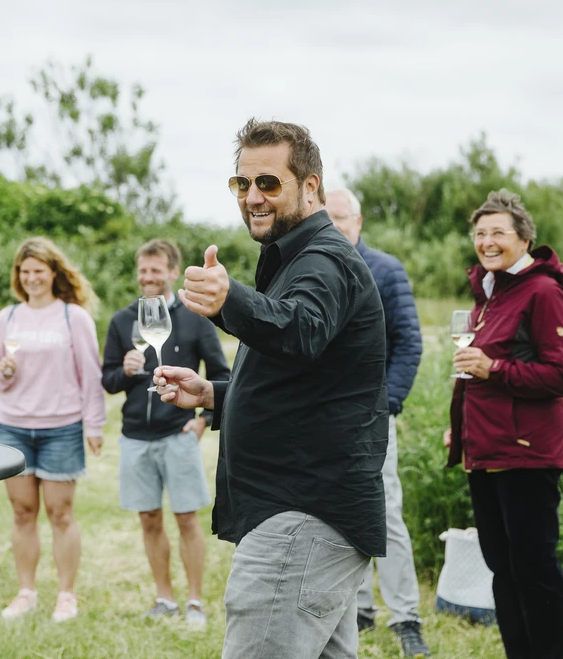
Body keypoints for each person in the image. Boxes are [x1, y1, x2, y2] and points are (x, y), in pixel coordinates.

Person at [154, 119, 389, 659]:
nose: (252, 196)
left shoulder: (324, 259)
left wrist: (228, 298)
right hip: (309, 513)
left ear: (310, 188)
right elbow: (302, 378)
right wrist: (213, 392)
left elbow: (300, 329)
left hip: (304, 515)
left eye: (268, 183)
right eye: (243, 184)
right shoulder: (292, 257)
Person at [443, 189, 563, 659]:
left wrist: (494, 368)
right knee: (502, 568)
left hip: (527, 455)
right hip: (486, 454)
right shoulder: (489, 295)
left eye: (498, 232)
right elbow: (473, 373)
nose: (487, 241)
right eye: (480, 233)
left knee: (534, 570)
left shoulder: (542, 292)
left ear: (524, 238)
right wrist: (460, 428)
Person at [101, 239, 231, 627]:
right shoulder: (123, 321)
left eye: (156, 270)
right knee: (149, 520)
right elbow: (107, 381)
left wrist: (202, 422)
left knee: (188, 520)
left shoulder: (195, 317)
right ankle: (165, 599)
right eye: (143, 270)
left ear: (173, 272)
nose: (148, 277)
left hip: (179, 436)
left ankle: (194, 602)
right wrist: (123, 371)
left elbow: (221, 376)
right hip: (135, 438)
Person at [325, 188, 430, 657]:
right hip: (322, 417)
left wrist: (386, 403)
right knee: (337, 515)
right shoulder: (313, 268)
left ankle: (406, 616)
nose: (333, 226)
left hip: (373, 414)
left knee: (386, 514)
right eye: (324, 219)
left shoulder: (386, 270)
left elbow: (409, 342)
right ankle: (359, 609)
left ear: (359, 220)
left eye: (340, 218)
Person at [0, 237, 106, 623]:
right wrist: (2, 372)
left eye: (39, 270)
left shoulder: (74, 317)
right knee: (22, 513)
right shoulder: (7, 318)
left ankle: (66, 596)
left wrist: (94, 424)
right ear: (18, 277)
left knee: (60, 514)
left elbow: (91, 375)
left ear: (54, 273)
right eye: (25, 271)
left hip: (62, 428)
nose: (32, 278)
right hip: (14, 429)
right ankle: (26, 593)